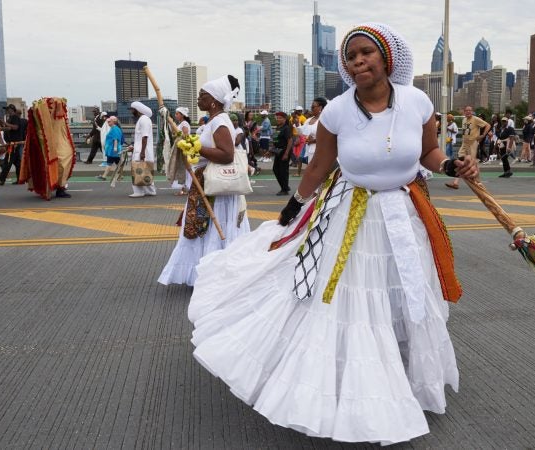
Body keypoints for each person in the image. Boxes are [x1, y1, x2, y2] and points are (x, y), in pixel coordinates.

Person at [185, 22, 478, 445]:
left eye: (366, 53)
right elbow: (320, 166)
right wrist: (294, 207)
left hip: (403, 211)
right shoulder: (338, 110)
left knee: (406, 291)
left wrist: (452, 165)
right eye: (351, 57)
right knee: (354, 301)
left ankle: (404, 372)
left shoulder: (417, 102)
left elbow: (430, 153)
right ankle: (364, 388)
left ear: (386, 57)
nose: (358, 62)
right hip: (351, 213)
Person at [158, 75, 250, 286]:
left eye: (202, 95)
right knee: (204, 230)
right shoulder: (215, 120)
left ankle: (217, 278)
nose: (198, 99)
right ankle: (212, 276)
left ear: (214, 101)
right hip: (209, 185)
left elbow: (227, 154)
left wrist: (197, 148)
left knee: (209, 229)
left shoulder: (219, 121)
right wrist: (192, 145)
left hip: (216, 187)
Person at [446, 105, 488, 189]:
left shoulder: (476, 119)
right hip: (464, 143)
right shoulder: (464, 119)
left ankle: (478, 182)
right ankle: (456, 182)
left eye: (470, 110)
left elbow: (487, 125)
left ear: (472, 111)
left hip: (472, 143)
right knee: (460, 160)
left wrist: (482, 135)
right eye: (466, 110)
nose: (468, 112)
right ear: (464, 112)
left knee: (473, 162)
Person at [127, 101, 157, 198]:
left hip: (142, 151)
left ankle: (139, 191)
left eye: (132, 110)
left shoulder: (143, 119)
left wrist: (142, 152)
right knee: (146, 169)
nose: (131, 111)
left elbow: (145, 137)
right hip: (140, 149)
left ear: (137, 110)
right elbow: (141, 138)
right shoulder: (144, 119)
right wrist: (134, 147)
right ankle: (151, 190)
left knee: (138, 169)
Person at [0, 104, 27, 185]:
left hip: (15, 143)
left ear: (12, 109)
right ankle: (21, 179)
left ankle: (1, 180)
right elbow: (10, 128)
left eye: (8, 109)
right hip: (13, 143)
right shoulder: (11, 118)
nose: (6, 111)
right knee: (17, 162)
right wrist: (1, 128)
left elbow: (15, 127)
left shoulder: (15, 117)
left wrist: (4, 123)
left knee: (8, 161)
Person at [168, 107, 192, 195]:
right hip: (180, 147)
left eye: (177, 114)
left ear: (182, 115)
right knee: (181, 167)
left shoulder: (184, 123)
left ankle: (185, 189)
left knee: (183, 168)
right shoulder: (181, 123)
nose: (176, 115)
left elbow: (185, 135)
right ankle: (183, 188)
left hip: (183, 148)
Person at [299, 97, 326, 165]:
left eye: (313, 107)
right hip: (310, 149)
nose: (311, 108)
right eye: (311, 106)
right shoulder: (309, 120)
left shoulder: (325, 119)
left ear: (320, 107)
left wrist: (313, 141)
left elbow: (328, 137)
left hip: (321, 150)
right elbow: (302, 132)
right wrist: (296, 123)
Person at [96, 116, 124, 181]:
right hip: (113, 150)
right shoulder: (114, 128)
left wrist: (114, 148)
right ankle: (120, 175)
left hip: (113, 150)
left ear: (113, 122)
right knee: (117, 163)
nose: (108, 123)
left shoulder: (114, 129)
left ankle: (104, 176)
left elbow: (115, 139)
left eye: (109, 121)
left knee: (110, 163)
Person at [271, 111, 293, 194]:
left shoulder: (286, 128)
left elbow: (290, 140)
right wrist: (271, 151)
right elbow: (275, 140)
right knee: (276, 169)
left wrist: (286, 153)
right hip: (278, 151)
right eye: (277, 118)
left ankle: (285, 189)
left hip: (284, 151)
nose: (278, 119)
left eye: (280, 118)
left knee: (283, 171)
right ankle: (285, 186)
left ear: (284, 119)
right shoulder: (278, 128)